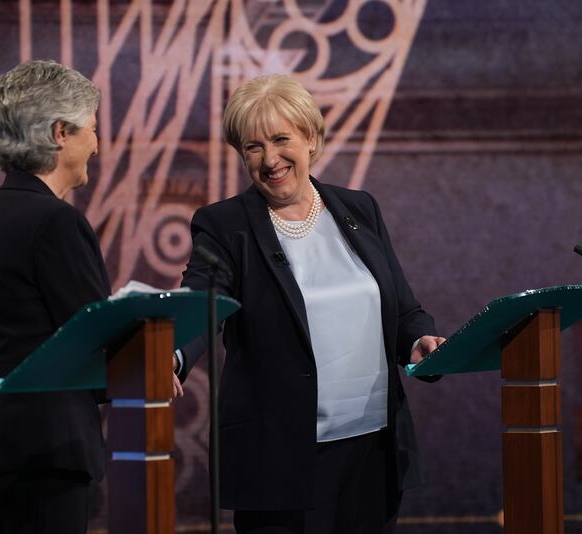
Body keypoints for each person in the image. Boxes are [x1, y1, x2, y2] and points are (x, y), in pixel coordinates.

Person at [178, 74, 446, 534]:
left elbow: (401, 307)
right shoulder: (224, 226)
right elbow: (203, 301)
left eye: (281, 139)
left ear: (311, 139)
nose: (270, 159)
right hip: (281, 456)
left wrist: (419, 339)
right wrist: (173, 354)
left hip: (372, 448)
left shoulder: (359, 209)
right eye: (253, 147)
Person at [0, 60, 109, 534]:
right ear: (61, 132)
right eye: (92, 131)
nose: (97, 147)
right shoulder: (55, 222)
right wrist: (150, 365)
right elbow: (92, 341)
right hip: (41, 458)